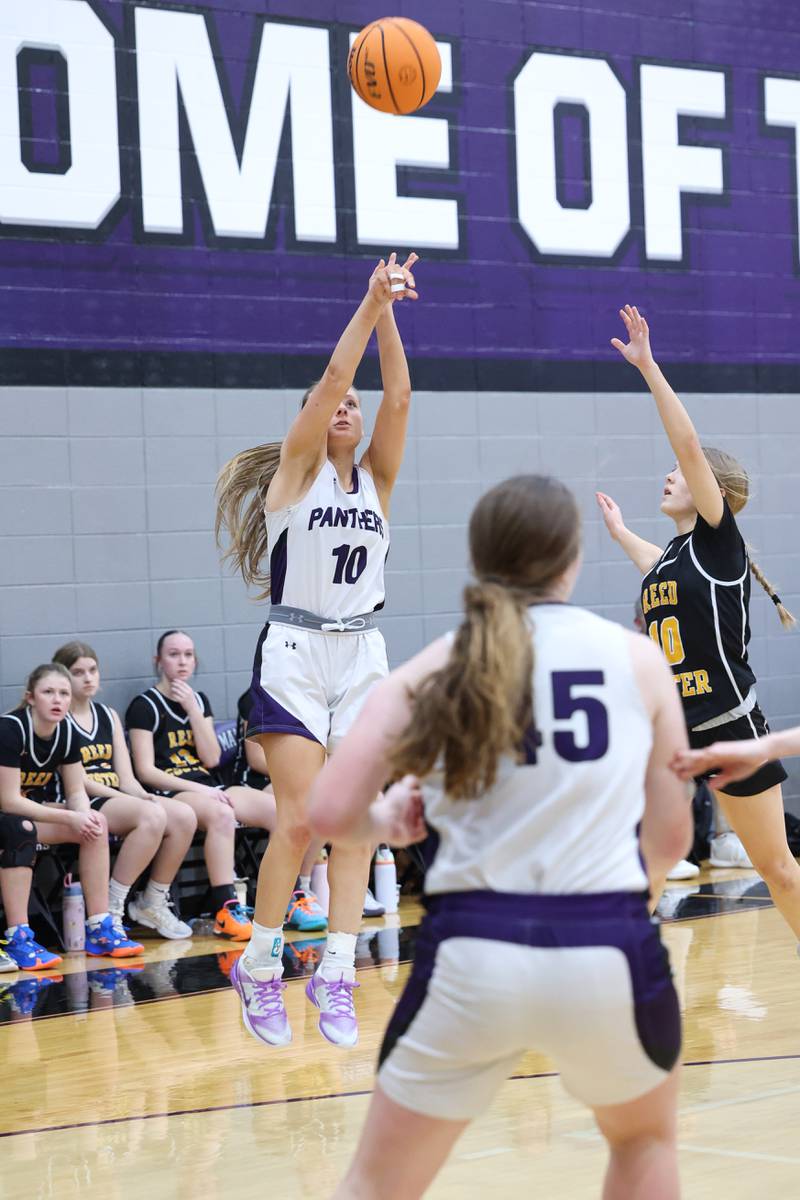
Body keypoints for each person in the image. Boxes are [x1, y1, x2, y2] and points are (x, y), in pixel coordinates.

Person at [305, 474, 691, 1200]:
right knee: (643, 1142)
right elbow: (670, 838)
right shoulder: (638, 659)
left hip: (472, 954)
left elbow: (326, 814)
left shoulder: (439, 663)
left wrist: (383, 823)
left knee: (374, 1185)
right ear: (572, 559)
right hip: (607, 946)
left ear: (479, 560)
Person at [216, 251, 418, 1047]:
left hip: (362, 651)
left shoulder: (378, 481)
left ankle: (336, 970)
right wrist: (368, 304)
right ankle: (261, 966)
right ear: (308, 419)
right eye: (333, 404)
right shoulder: (295, 477)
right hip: (297, 650)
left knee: (357, 818)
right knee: (300, 821)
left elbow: (396, 392)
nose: (348, 407)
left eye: (352, 407)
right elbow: (340, 376)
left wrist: (392, 309)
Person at [597, 305, 800, 937]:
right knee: (644, 868)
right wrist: (620, 530)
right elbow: (650, 569)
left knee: (779, 870)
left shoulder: (717, 542)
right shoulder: (674, 559)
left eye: (679, 474)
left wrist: (650, 368)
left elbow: (685, 443)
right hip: (674, 736)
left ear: (705, 484)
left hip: (729, 724)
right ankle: (612, 985)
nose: (667, 474)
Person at [125, 630, 277, 940]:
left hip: (208, 784)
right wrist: (202, 790)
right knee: (221, 815)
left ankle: (290, 896)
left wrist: (194, 711)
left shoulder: (200, 701)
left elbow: (211, 758)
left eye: (188, 654)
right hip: (172, 789)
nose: (182, 661)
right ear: (159, 661)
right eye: (174, 654)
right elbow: (145, 770)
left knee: (282, 811)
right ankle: (227, 908)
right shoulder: (144, 705)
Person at [0, 664, 144, 966]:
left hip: (24, 813)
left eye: (63, 693)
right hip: (10, 813)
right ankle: (18, 937)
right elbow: (9, 801)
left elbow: (76, 791)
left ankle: (100, 928)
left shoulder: (66, 731)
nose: (57, 699)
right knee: (21, 829)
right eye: (48, 692)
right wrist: (69, 818)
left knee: (95, 824)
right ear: (30, 698)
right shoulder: (10, 729)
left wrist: (82, 815)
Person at [52, 641, 197, 939]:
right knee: (152, 816)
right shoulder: (58, 718)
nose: (88, 678)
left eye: (93, 670)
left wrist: (142, 794)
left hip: (118, 797)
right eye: (78, 672)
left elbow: (126, 777)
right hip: (83, 799)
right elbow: (79, 782)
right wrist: (133, 800)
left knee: (184, 815)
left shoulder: (108, 715)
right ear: (63, 677)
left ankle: (153, 900)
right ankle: (113, 906)